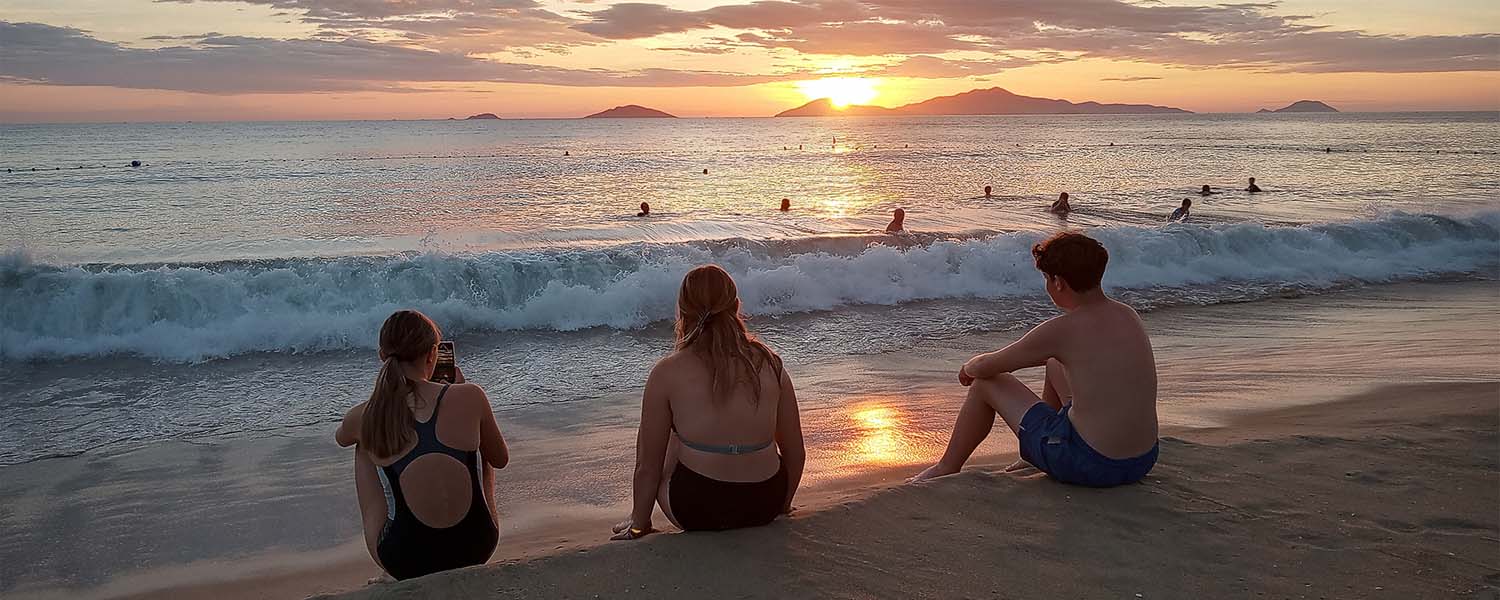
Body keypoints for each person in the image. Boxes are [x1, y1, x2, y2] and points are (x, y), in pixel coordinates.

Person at [911, 232, 1159, 487]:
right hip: (1141, 460)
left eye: (1046, 279)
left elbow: (990, 367)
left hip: (1089, 464)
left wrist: (968, 367)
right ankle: (1031, 457)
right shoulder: (1128, 315)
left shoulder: (1062, 329)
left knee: (985, 383)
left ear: (1058, 282)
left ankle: (947, 466)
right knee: (1054, 362)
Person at [611, 265, 805, 540]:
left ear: (682, 310)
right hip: (766, 502)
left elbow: (648, 465)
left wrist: (639, 523)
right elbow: (795, 451)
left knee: (669, 437)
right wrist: (782, 506)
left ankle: (638, 518)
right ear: (736, 305)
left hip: (696, 507)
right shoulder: (770, 363)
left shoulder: (667, 372)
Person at [335, 310, 509, 580]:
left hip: (404, 559)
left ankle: (387, 557)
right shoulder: (471, 395)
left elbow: (341, 437)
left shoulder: (364, 415)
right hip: (476, 546)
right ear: (432, 355)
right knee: (479, 444)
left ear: (382, 356)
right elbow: (499, 459)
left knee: (364, 443)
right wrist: (457, 394)